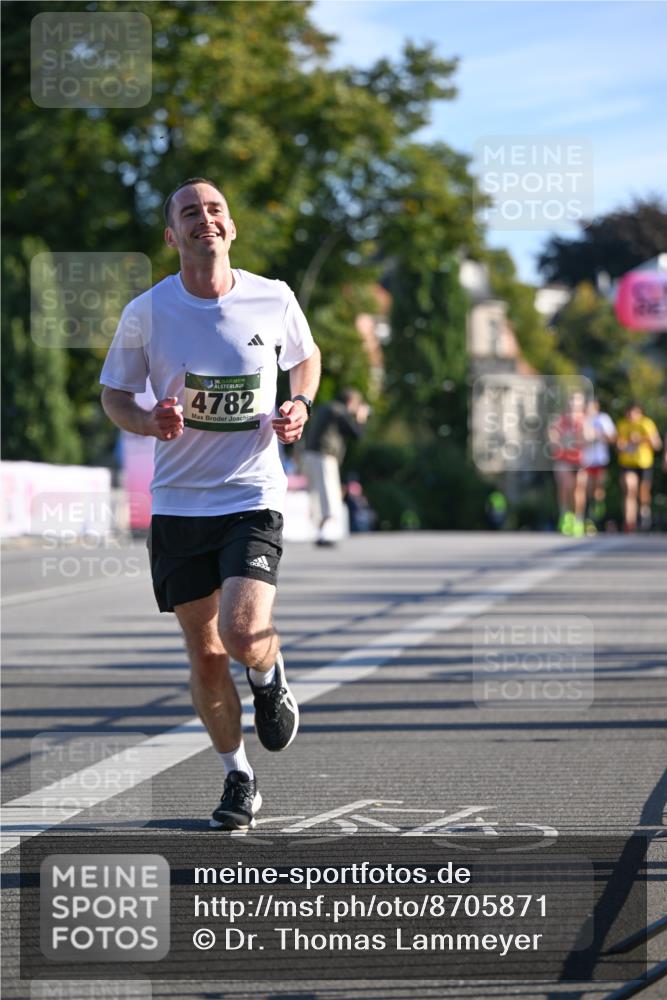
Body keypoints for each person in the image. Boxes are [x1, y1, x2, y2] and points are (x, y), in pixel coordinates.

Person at [100, 178, 321, 830]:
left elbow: (304, 361)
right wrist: (149, 422)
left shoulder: (272, 297)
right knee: (203, 655)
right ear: (173, 236)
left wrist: (297, 404)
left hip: (251, 492)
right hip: (177, 503)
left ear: (230, 226)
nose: (206, 220)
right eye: (189, 212)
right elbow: (115, 395)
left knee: (242, 631)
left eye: (215, 209)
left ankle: (268, 670)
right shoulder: (147, 311)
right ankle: (238, 777)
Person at [302, 388, 369, 545]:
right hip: (324, 456)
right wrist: (360, 418)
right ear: (351, 401)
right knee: (329, 495)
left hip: (311, 455)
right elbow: (356, 434)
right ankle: (326, 533)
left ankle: (320, 532)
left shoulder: (326, 407)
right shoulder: (338, 410)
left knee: (317, 495)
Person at [548, 391, 589, 537]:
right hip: (563, 459)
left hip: (579, 460)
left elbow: (586, 440)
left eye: (577, 401)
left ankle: (578, 519)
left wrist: (581, 435)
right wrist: (556, 440)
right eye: (571, 401)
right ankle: (565, 515)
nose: (573, 404)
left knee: (578, 490)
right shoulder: (559, 420)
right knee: (565, 487)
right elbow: (553, 439)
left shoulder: (584, 421)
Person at [616, 402, 662, 532]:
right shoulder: (622, 424)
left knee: (643, 492)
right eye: (629, 413)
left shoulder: (646, 423)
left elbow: (657, 444)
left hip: (644, 463)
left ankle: (644, 512)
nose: (631, 416)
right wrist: (624, 445)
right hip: (627, 463)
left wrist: (641, 440)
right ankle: (629, 522)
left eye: (634, 413)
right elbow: (618, 446)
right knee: (630, 489)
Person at [582, 399, 616, 532]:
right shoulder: (583, 419)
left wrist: (599, 435)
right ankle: (588, 517)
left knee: (598, 490)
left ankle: (598, 513)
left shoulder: (603, 419)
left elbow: (612, 438)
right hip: (585, 460)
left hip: (600, 460)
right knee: (586, 489)